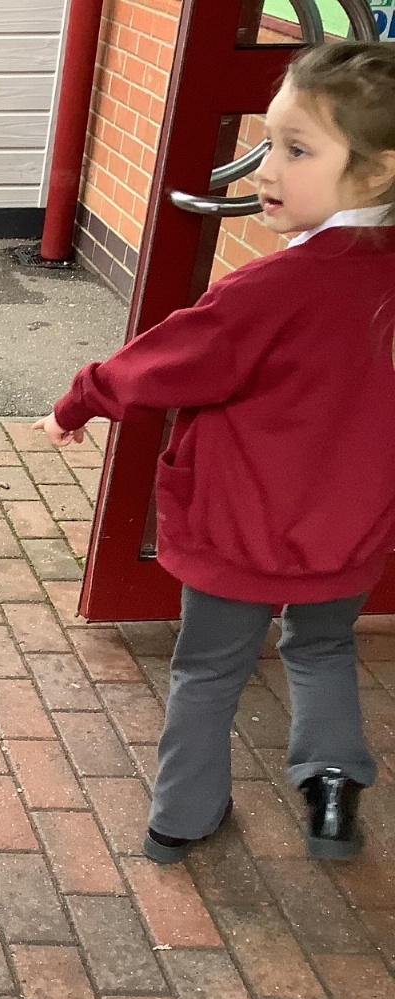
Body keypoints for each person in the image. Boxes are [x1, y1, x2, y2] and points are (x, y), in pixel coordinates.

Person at [36, 41, 395, 864]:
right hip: (349, 535)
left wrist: (77, 401)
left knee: (207, 672)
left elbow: (157, 365)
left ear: (378, 172)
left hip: (240, 530)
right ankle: (332, 789)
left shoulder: (269, 291)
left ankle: (182, 818)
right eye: (269, 141)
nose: (266, 168)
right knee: (323, 645)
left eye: (297, 150)